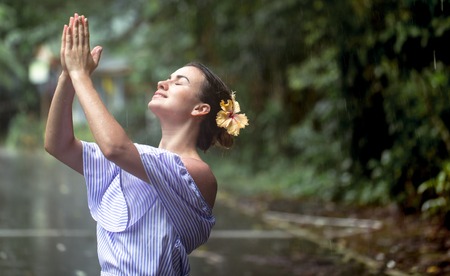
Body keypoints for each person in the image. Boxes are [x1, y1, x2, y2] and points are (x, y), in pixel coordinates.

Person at [44, 13, 248, 275]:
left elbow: (115, 148)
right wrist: (67, 76)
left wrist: (81, 76)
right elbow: (57, 144)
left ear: (200, 108)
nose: (163, 82)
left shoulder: (197, 173)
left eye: (179, 82)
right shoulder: (132, 162)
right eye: (169, 77)